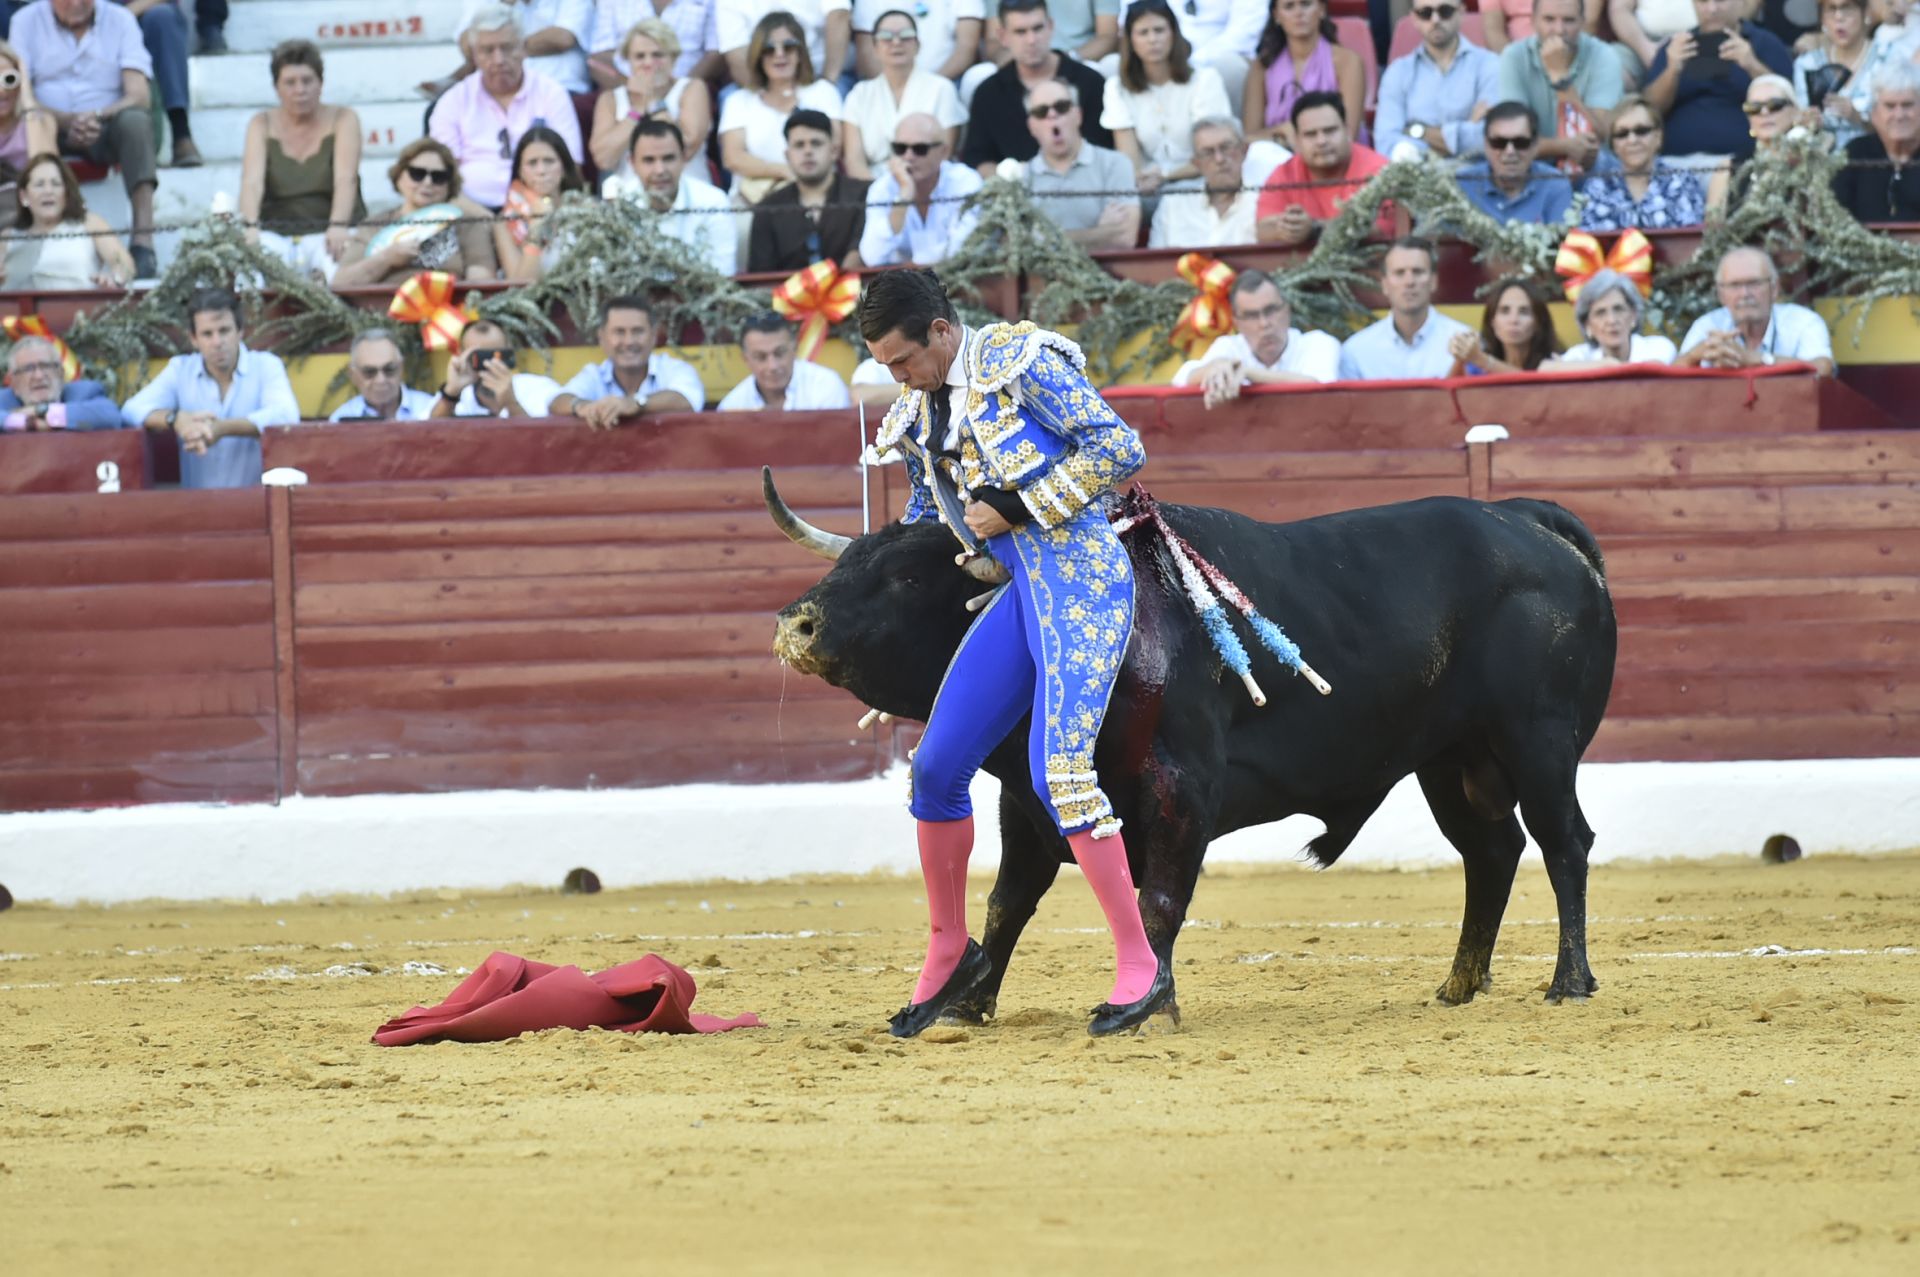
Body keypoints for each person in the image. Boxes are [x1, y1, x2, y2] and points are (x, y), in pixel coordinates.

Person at [856, 266, 1170, 1039]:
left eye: (902, 360)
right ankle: (949, 950)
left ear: (941, 330)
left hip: (1085, 578)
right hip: (1019, 589)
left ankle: (1142, 965)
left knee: (1056, 772)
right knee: (935, 767)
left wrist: (1019, 504)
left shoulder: (1022, 364)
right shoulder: (920, 407)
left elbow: (1117, 446)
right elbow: (934, 515)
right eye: (885, 365)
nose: (896, 377)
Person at [12, 0, 161, 278]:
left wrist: (96, 116)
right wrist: (66, 121)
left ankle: (143, 243)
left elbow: (139, 95)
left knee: (137, 121)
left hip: (105, 122)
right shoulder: (25, 21)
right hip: (49, 122)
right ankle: (41, 236)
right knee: (31, 121)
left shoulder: (120, 19)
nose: (76, 3)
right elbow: (21, 94)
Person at [122, 287, 300, 489]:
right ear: (193, 339)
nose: (217, 342)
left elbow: (286, 415)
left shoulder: (266, 365)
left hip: (257, 509)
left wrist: (222, 429)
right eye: (207, 334)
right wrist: (176, 420)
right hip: (197, 510)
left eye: (224, 331)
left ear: (240, 331)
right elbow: (131, 410)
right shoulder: (180, 370)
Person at [428, 6, 584, 210]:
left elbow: (572, 166)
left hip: (540, 210)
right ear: (474, 56)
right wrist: (485, 219)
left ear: (524, 49)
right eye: (488, 50)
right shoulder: (452, 101)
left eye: (507, 48)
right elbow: (442, 175)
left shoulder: (552, 94)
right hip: (473, 213)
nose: (499, 60)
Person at [238, 40, 365, 282]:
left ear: (321, 83)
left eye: (307, 81)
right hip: (276, 232)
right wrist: (250, 227)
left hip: (330, 231)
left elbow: (345, 178)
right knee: (249, 276)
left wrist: (338, 225)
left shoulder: (343, 118)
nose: (300, 90)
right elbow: (251, 182)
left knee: (342, 274)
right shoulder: (261, 123)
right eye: (290, 82)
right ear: (276, 87)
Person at [961, 0, 1112, 175]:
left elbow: (1105, 149)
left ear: (1051, 27)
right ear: (1003, 36)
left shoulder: (1090, 82)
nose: (1031, 40)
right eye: (1020, 32)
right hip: (1016, 195)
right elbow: (979, 158)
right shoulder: (988, 93)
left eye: (1037, 28)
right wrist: (1010, 186)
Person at [1102, 0, 1233, 196]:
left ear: (1173, 33)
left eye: (1159, 30)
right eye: (1143, 32)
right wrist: (1145, 180)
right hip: (1147, 187)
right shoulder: (1116, 88)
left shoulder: (1205, 80)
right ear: (1130, 40)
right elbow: (1130, 160)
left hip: (1200, 181)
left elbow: (1212, 156)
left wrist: (1165, 176)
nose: (1153, 39)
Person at [333, 138, 501, 287]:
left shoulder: (466, 225)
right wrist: (387, 258)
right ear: (399, 177)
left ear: (450, 184)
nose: (427, 182)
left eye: (438, 177)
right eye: (417, 174)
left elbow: (481, 280)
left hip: (448, 313)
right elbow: (341, 283)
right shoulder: (375, 225)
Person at [1643, 0, 1794, 162]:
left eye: (1720, 1)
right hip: (1675, 165)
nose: (1712, 9)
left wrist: (1752, 64)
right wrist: (1672, 70)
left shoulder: (1766, 43)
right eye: (1703, 2)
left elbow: (1788, 105)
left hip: (1746, 164)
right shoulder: (1674, 47)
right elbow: (1649, 112)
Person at [718, 10, 844, 205]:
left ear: (801, 52)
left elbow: (833, 146)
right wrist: (785, 172)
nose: (780, 55)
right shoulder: (738, 101)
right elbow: (733, 158)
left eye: (789, 46)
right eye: (769, 49)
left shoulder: (823, 92)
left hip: (816, 193)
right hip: (754, 199)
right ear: (758, 55)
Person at [1170, 269, 1340, 402]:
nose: (1264, 323)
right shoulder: (1229, 347)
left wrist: (1247, 373)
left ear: (1287, 310)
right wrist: (1213, 368)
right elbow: (1182, 380)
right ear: (1236, 323)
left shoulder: (1318, 343)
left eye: (1271, 310)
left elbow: (1319, 388)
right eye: (1251, 316)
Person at [1495, 0, 1623, 175]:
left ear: (1582, 22)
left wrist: (1562, 80)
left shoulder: (1605, 56)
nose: (1559, 30)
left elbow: (1600, 136)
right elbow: (1513, 139)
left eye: (1569, 20)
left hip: (1589, 171)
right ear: (1533, 21)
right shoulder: (1514, 56)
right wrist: (1563, 146)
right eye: (1549, 20)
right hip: (1531, 168)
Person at [1254, 91, 1391, 245]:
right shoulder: (1284, 173)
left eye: (1330, 131)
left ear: (1348, 131)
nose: (1321, 141)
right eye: (1311, 134)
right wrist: (1286, 228)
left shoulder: (1379, 169)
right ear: (1297, 140)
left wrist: (1315, 228)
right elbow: (1262, 229)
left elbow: (1381, 228)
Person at [1675, 245, 1835, 376]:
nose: (1744, 294)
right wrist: (1694, 356)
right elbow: (1669, 379)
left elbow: (1823, 369)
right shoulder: (1707, 325)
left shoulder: (1804, 322)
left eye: (1754, 283)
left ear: (1774, 289)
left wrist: (1759, 359)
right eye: (1735, 285)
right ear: (1721, 294)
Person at [842, 8, 964, 179]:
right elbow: (854, 162)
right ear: (875, 47)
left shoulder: (941, 89)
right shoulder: (859, 94)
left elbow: (944, 153)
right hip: (873, 188)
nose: (896, 42)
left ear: (918, 44)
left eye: (906, 35)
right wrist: (881, 193)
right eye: (886, 37)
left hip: (929, 185)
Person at [1374, 0, 1501, 162]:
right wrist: (1467, 127)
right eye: (1426, 13)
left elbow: (1492, 138)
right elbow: (1386, 144)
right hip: (1418, 180)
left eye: (1445, 11)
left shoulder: (1489, 64)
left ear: (1461, 12)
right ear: (1414, 18)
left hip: (1475, 177)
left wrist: (1416, 131)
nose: (1435, 20)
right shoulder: (1398, 72)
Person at [550, 294, 706, 424]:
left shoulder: (675, 369)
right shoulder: (594, 374)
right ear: (602, 338)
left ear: (653, 336)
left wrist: (635, 403)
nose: (629, 341)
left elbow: (687, 400)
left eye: (637, 331)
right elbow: (557, 401)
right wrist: (582, 407)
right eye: (619, 332)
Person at [608, 118, 737, 275]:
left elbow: (723, 272)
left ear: (683, 158)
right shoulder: (617, 207)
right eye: (649, 160)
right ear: (632, 163)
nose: (660, 170)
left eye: (668, 158)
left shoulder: (713, 201)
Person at [587, 17, 713, 176]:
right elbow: (604, 160)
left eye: (657, 55)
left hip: (688, 192)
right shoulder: (610, 99)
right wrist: (637, 110)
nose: (648, 63)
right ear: (628, 61)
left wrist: (654, 102)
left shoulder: (691, 88)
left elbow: (687, 148)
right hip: (628, 196)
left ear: (673, 58)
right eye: (640, 56)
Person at [1023, 76, 1139, 247]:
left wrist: (1044, 239)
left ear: (1078, 115)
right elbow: (1018, 246)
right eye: (1041, 112)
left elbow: (1123, 239)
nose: (1052, 116)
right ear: (1032, 126)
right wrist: (1100, 233)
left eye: (1061, 107)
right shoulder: (1021, 178)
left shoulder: (1115, 164)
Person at [747, 108, 868, 271]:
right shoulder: (767, 209)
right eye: (799, 145)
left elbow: (867, 255)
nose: (808, 151)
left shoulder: (864, 195)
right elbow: (760, 279)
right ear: (787, 155)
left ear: (833, 151)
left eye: (816, 143)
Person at [1337, 236, 1473, 379]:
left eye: (1418, 272)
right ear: (1384, 284)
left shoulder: (1464, 343)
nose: (1409, 282)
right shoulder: (1357, 351)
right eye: (1399, 273)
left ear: (1433, 281)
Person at [859, 112, 983, 265]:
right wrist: (903, 198)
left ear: (943, 152)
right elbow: (872, 257)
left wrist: (916, 264)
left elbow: (966, 246)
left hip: (957, 280)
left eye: (920, 149)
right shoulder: (882, 188)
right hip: (900, 285)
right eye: (900, 148)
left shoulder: (965, 181)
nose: (908, 156)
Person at [1244, 0, 1365, 149]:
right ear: (1276, 15)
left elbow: (1349, 133)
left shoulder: (1348, 61)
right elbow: (1248, 139)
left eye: (1306, 4)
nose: (1298, 13)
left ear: (1321, 9)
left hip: (1332, 153)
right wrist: (1282, 132)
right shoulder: (1261, 67)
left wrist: (1293, 133)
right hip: (1277, 156)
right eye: (1289, 6)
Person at [1577, 94, 1708, 229]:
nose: (1632, 140)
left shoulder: (1682, 182)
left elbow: (1694, 242)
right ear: (1613, 145)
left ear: (1658, 137)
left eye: (1641, 131)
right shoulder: (1597, 188)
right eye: (1622, 134)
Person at [5, 152, 132, 287]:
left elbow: (124, 264)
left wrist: (114, 278)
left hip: (82, 307)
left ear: (66, 193)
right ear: (24, 196)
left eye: (56, 184)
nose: (48, 191)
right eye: (39, 184)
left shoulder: (90, 223)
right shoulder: (9, 236)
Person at [1146, 115, 1266, 247]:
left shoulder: (1264, 199)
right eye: (1208, 152)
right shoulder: (1174, 203)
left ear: (1244, 150)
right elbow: (1156, 261)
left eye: (1226, 147)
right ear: (1196, 163)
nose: (1219, 159)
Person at [1455, 101, 1574, 222]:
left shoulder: (1555, 186)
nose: (1510, 151)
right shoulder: (1461, 185)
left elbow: (1562, 238)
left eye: (1520, 143)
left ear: (1535, 145)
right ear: (1486, 145)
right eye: (1499, 143)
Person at [1705, 74, 1808, 212]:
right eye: (1754, 108)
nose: (1764, 113)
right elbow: (1713, 228)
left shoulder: (1813, 160)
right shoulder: (1728, 168)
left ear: (1795, 112)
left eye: (1775, 105)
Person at [1831, 62, 1920, 222]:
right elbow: (1835, 216)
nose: (1899, 115)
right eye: (1890, 106)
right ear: (1874, 114)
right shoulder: (1855, 153)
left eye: (1907, 105)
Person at [495, 124, 585, 280]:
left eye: (549, 161)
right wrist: (537, 230)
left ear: (563, 168)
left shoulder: (587, 211)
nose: (541, 171)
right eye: (532, 163)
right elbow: (519, 284)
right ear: (520, 172)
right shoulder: (505, 222)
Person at [429, 319, 566, 418]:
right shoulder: (453, 396)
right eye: (478, 357)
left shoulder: (536, 387)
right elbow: (427, 436)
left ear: (510, 353)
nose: (488, 364)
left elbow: (540, 443)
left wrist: (510, 403)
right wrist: (451, 394)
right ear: (461, 355)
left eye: (496, 356)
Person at [717, 311, 854, 410]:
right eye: (760, 357)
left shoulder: (826, 385)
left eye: (780, 353)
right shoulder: (732, 406)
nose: (773, 366)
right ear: (746, 359)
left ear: (795, 348)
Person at [1791, 0, 1879, 150]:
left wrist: (1857, 117)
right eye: (1831, 9)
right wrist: (1809, 120)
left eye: (1847, 8)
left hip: (1872, 161)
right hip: (1819, 161)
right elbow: (1799, 118)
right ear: (1822, 18)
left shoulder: (1886, 59)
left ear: (1865, 12)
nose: (1839, 17)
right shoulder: (1808, 63)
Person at [1543, 268, 1678, 365]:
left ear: (1633, 316)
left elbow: (1652, 370)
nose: (1611, 320)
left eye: (1618, 309)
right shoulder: (1579, 354)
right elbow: (1546, 369)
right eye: (1600, 313)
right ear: (1587, 326)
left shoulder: (1658, 347)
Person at [717, 0, 850, 90]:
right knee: (732, 100)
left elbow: (839, 15)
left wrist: (827, 84)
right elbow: (736, 55)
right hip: (764, 82)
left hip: (823, 74)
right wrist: (768, 97)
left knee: (834, 97)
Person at [0, 333, 120, 429]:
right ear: (13, 382)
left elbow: (111, 418)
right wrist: (25, 423)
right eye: (28, 369)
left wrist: (42, 411)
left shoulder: (84, 393)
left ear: (61, 374)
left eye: (46, 366)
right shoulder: (4, 400)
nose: (39, 376)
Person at [588, 0, 719, 88]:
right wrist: (631, 90)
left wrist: (680, 90)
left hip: (689, 90)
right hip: (624, 90)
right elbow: (598, 57)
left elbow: (715, 53)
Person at [1445, 276, 1559, 374]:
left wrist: (1481, 359)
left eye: (1524, 312)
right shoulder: (1477, 366)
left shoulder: (1556, 364)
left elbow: (1531, 385)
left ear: (1538, 322)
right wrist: (1461, 356)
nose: (1514, 320)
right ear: (1492, 321)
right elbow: (1446, 396)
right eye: (1505, 311)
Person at [852, 0, 982, 80]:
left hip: (947, 81)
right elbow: (866, 53)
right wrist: (890, 90)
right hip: (886, 86)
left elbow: (966, 49)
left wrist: (927, 88)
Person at [1168, 0, 1263, 106]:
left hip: (1223, 56)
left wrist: (1196, 60)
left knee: (1231, 68)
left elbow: (1245, 31)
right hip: (1175, 54)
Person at [328, 331, 437, 421]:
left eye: (389, 369)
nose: (381, 380)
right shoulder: (340, 419)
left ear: (401, 368)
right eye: (369, 372)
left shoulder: (431, 409)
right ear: (353, 375)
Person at [0, 37, 56, 173]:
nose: (2, 90)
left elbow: (45, 173)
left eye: (9, 78)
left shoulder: (40, 121)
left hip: (26, 193)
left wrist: (27, 99)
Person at [1608, 0, 1699, 82]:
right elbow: (1620, 10)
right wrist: (1647, 52)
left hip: (1697, 41)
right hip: (1640, 41)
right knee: (1608, 71)